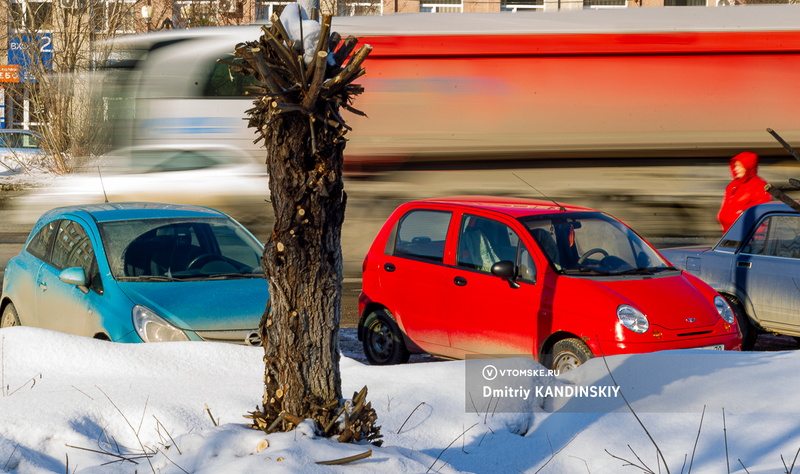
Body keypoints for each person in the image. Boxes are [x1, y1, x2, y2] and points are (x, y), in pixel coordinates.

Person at [717, 151, 772, 232]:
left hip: (750, 238)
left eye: (740, 166)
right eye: (735, 165)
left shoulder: (760, 186)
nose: (736, 169)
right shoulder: (732, 186)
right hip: (729, 235)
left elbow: (761, 214)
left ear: (748, 166)